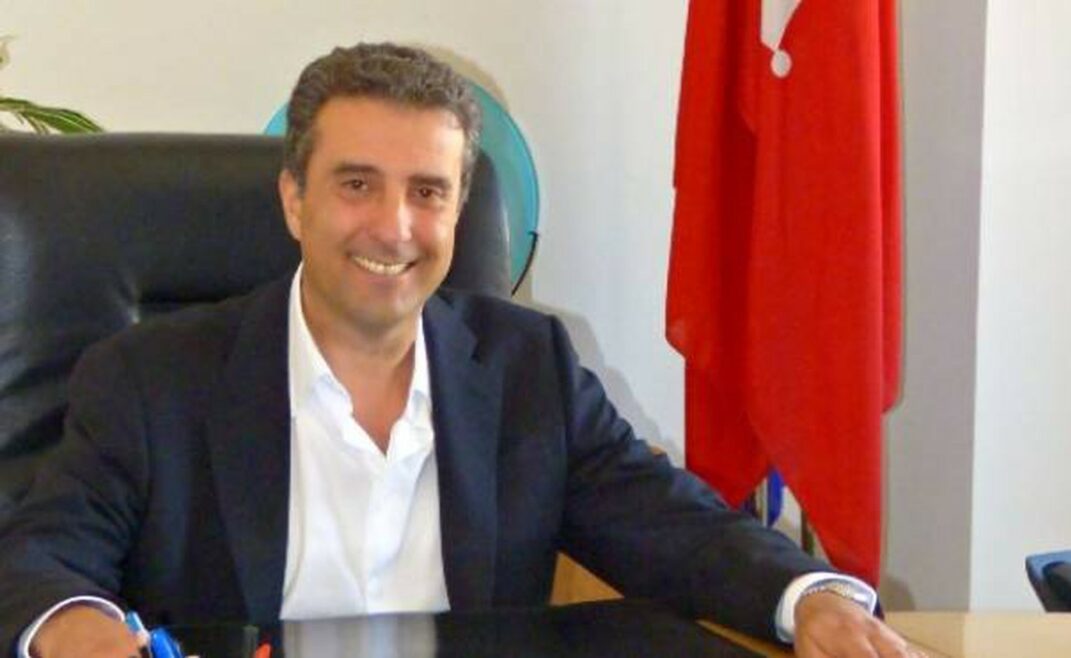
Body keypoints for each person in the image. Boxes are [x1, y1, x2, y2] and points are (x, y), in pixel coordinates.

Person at [0, 43, 920, 658]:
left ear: (459, 208)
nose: (394, 227)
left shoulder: (527, 367)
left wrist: (809, 598)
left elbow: (675, 527)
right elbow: (45, 549)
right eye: (356, 185)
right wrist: (77, 626)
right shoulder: (152, 376)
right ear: (293, 199)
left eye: (428, 192)